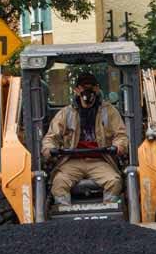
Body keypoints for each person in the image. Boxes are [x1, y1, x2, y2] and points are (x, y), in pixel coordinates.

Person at [42, 71, 129, 204]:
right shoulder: (66, 113)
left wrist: (118, 146)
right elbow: (51, 137)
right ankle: (64, 215)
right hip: (72, 160)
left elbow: (121, 134)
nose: (87, 91)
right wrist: (49, 149)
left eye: (91, 86)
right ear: (76, 90)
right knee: (59, 183)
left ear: (97, 88)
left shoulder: (109, 111)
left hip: (100, 159)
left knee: (114, 181)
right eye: (83, 86)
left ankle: (109, 212)